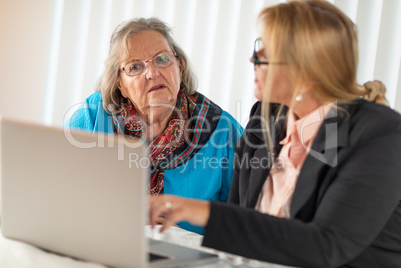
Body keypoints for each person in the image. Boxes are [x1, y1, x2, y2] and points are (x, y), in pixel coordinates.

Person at [149, 1, 401, 267]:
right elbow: (240, 226)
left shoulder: (380, 134)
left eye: (264, 51)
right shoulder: (264, 117)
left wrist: (201, 211)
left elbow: (327, 246)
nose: (252, 59)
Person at [64, 18, 243, 234]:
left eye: (162, 59)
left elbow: (245, 221)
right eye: (135, 66)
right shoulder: (92, 117)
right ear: (120, 84)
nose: (152, 73)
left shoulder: (223, 131)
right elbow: (57, 193)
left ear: (179, 65)